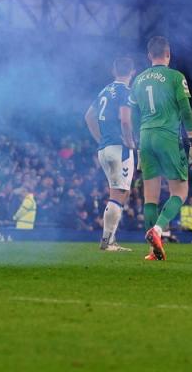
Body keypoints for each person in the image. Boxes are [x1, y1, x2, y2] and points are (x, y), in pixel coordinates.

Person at [121, 36, 192, 261]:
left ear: (149, 56)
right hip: (167, 136)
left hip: (145, 137)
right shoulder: (175, 77)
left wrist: (136, 146)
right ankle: (157, 230)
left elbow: (133, 117)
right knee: (180, 192)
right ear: (168, 53)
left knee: (150, 197)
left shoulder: (138, 81)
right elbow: (186, 110)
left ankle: (152, 250)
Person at [84, 57, 136, 252]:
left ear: (114, 71)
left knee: (122, 191)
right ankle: (107, 242)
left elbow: (89, 117)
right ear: (133, 72)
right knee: (118, 192)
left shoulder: (104, 90)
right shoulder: (126, 92)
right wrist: (129, 140)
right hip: (119, 148)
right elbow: (124, 120)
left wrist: (101, 139)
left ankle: (109, 240)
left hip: (104, 148)